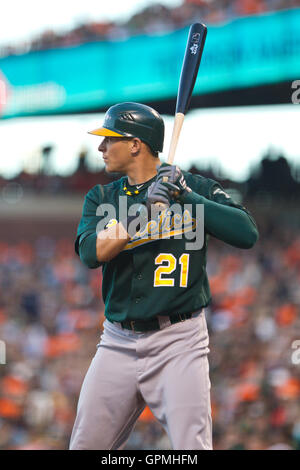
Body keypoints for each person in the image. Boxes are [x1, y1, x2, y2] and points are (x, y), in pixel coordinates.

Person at [69, 102, 259, 450]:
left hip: (180, 340)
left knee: (192, 448)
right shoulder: (102, 197)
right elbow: (90, 253)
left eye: (109, 140)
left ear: (135, 144)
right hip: (117, 341)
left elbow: (247, 234)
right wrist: (142, 212)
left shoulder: (192, 186)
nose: (101, 148)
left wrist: (186, 197)